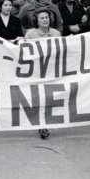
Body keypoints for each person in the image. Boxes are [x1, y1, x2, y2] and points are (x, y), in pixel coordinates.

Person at [24, 9, 63, 139]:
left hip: (53, 70)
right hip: (37, 70)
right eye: (42, 18)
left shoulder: (56, 33)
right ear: (37, 20)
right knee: (40, 98)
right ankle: (42, 125)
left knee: (50, 98)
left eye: (47, 17)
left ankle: (47, 122)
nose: (45, 20)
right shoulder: (31, 34)